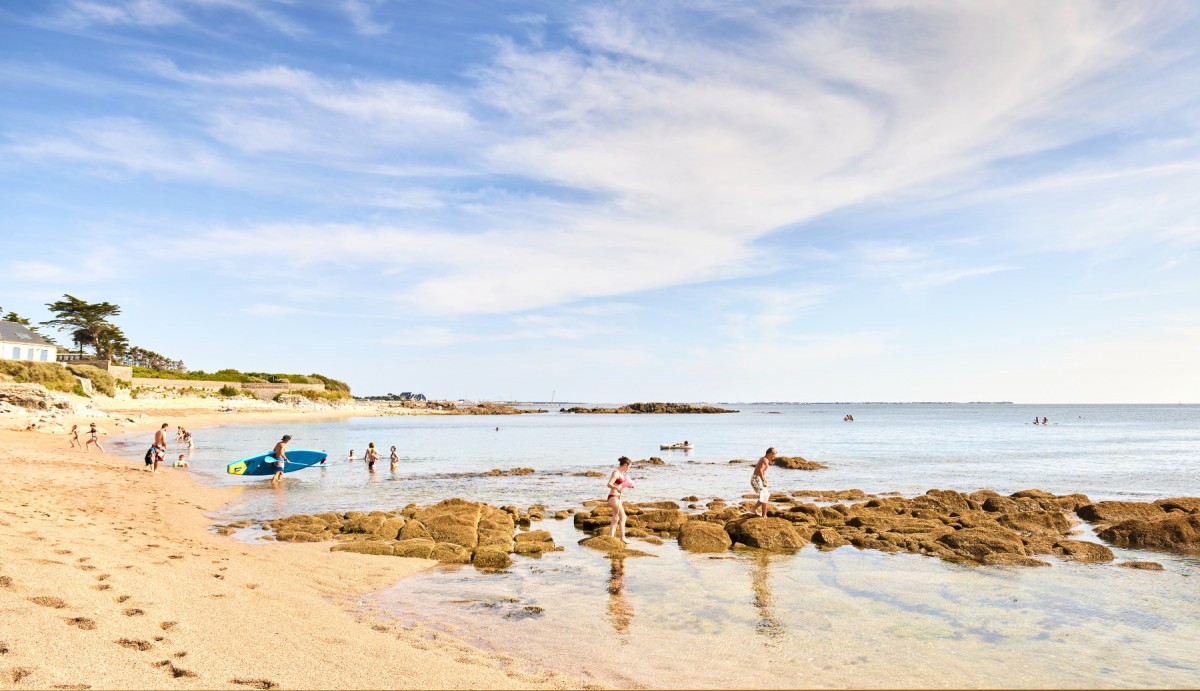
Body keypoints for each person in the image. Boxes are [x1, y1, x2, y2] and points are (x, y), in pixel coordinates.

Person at [607, 456, 634, 545]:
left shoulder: (622, 475)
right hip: (613, 496)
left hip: (618, 497)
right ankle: (622, 538)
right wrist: (617, 487)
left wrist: (629, 486)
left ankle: (610, 537)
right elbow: (609, 484)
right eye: (629, 466)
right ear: (625, 465)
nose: (629, 468)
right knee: (623, 517)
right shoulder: (616, 473)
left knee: (616, 518)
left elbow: (621, 486)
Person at [752, 447, 775, 518]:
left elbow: (760, 471)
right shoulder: (765, 460)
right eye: (774, 454)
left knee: (765, 495)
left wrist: (764, 479)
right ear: (770, 454)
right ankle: (754, 509)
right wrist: (763, 481)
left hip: (755, 479)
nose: (775, 456)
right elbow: (760, 470)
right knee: (765, 495)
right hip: (756, 479)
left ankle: (764, 515)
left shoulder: (763, 459)